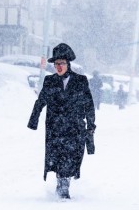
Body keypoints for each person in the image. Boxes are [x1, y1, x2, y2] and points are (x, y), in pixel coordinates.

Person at [27, 43, 96, 199]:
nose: (58, 67)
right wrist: (33, 120)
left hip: (75, 128)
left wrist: (91, 124)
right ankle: (62, 187)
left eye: (61, 63)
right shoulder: (49, 81)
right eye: (56, 64)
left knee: (72, 157)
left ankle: (64, 182)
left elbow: (89, 104)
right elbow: (41, 101)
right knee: (58, 157)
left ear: (68, 64)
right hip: (56, 127)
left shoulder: (80, 81)